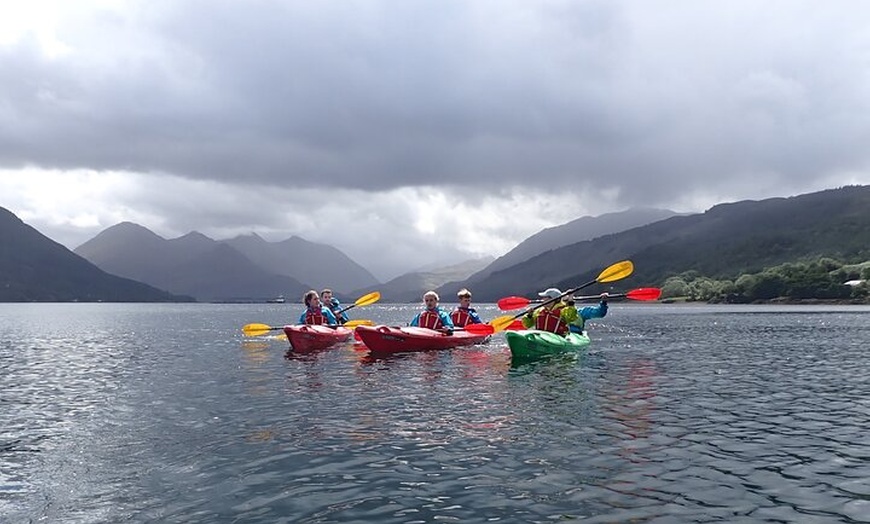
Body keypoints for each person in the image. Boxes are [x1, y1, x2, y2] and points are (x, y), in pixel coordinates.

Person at [521, 287, 608, 335]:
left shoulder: (578, 311)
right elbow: (527, 325)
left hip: (566, 336)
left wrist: (603, 302)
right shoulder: (540, 311)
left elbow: (599, 313)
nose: (542, 300)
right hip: (544, 336)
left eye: (568, 299)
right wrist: (529, 315)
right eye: (564, 299)